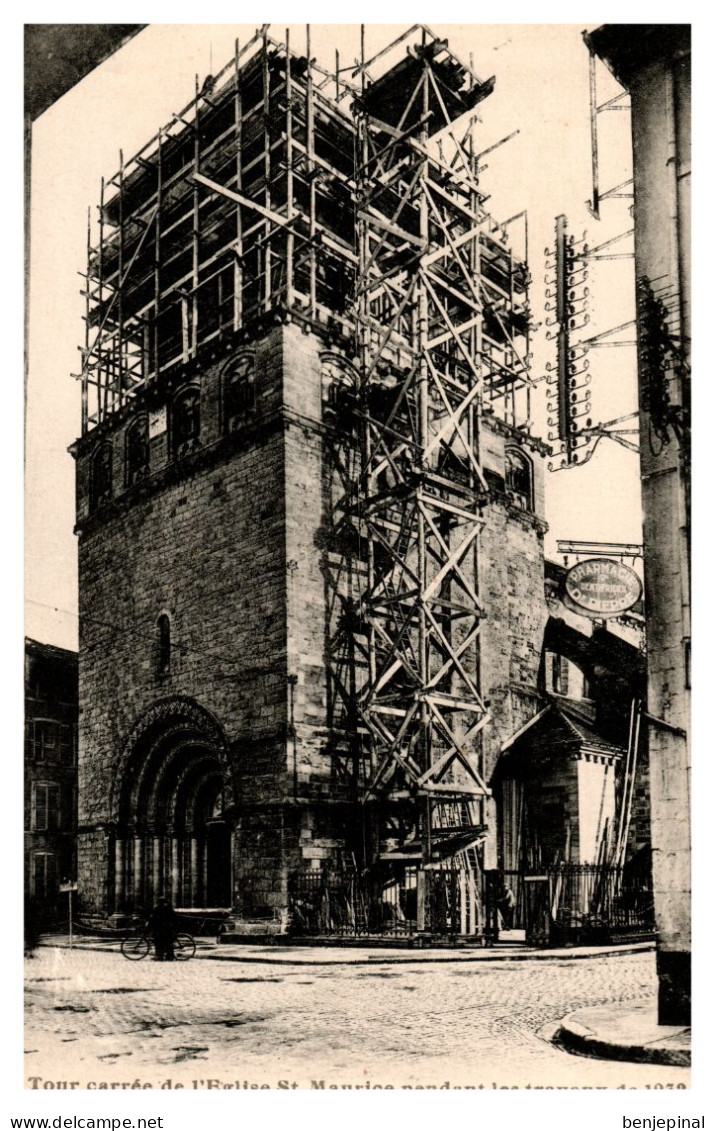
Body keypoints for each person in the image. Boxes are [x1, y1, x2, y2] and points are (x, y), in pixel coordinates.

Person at [147, 896, 178, 961]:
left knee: (158, 943)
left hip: (160, 929)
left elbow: (152, 918)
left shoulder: (157, 909)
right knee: (168, 943)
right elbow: (174, 917)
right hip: (168, 928)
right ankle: (170, 956)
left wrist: (148, 925)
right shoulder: (169, 908)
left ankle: (159, 956)